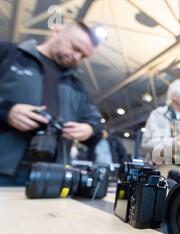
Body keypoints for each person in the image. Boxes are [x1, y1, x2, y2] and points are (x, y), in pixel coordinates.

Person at [0, 21, 103, 186]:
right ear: (57, 31)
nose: (77, 57)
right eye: (75, 48)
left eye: (83, 56)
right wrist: (6, 111)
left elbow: (96, 123)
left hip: (51, 176)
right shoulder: (9, 54)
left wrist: (89, 129)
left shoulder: (77, 85)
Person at [141, 80, 180, 177]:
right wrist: (173, 143)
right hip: (163, 170)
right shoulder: (157, 115)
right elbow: (146, 144)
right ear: (174, 96)